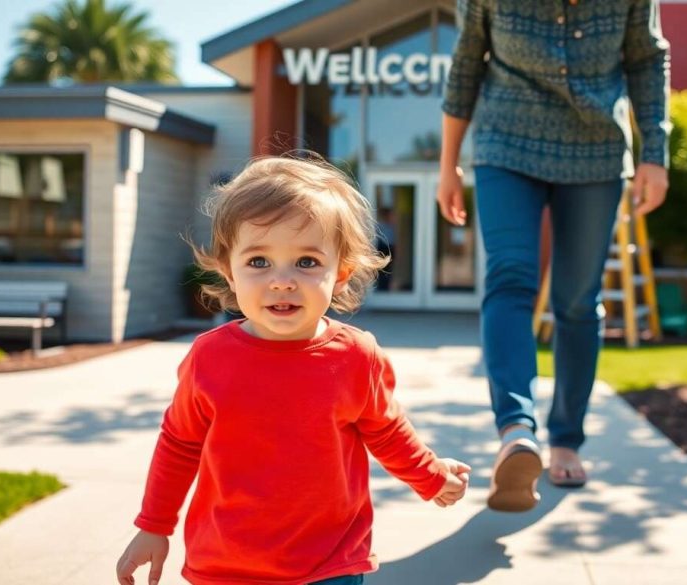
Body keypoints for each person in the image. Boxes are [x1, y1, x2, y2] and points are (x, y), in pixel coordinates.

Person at [116, 156, 471, 585]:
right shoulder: (209, 358)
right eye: (258, 262)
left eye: (306, 262)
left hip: (330, 561)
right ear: (229, 271)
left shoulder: (356, 356)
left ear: (341, 273)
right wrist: (154, 525)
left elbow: (387, 429)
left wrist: (430, 475)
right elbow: (179, 444)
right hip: (226, 564)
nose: (282, 280)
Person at [437, 0, 671, 512]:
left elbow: (647, 59)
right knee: (510, 277)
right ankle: (516, 430)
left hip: (596, 152)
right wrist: (448, 163)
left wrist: (655, 153)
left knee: (577, 299)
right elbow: (466, 63)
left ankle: (566, 437)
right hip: (505, 144)